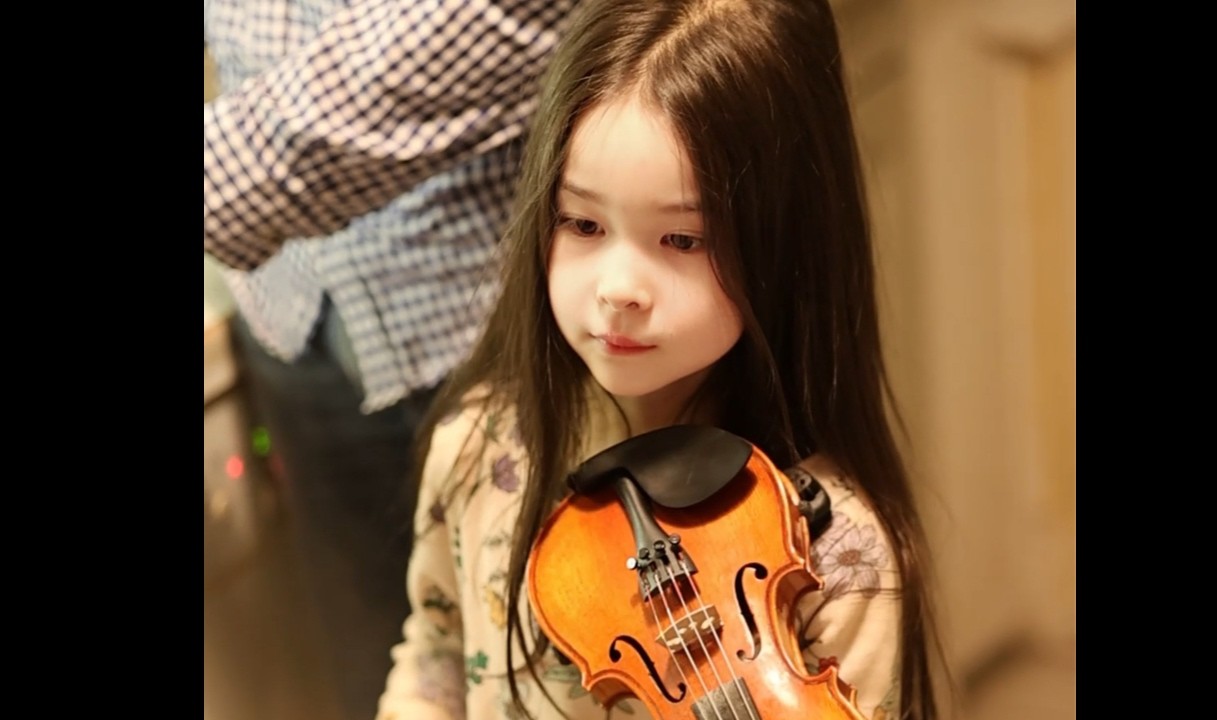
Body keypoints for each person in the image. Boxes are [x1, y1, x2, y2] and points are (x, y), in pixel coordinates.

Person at [376, 0, 947, 718]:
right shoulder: (477, 447)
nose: (618, 288)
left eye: (682, 239)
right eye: (583, 223)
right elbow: (436, 659)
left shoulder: (839, 551)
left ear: (786, 248)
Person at [203, 2, 578, 719]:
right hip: (293, 317)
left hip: (503, 319)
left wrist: (227, 168)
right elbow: (427, 654)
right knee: (387, 661)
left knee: (558, 673)